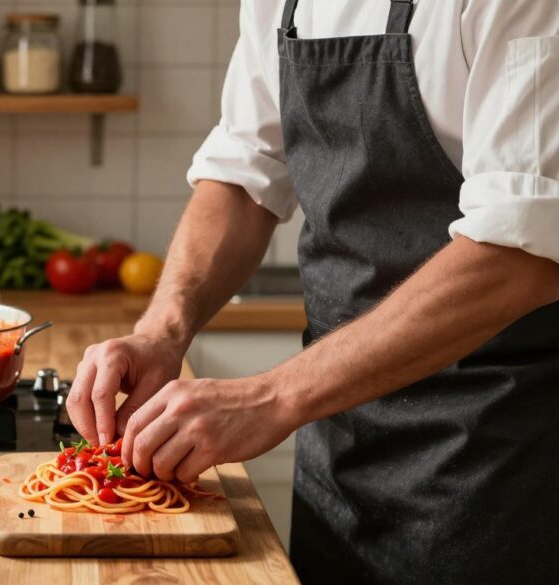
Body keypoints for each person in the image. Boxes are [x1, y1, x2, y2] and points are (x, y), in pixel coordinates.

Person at [66, 1, 559, 583]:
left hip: (490, 447)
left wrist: (272, 398)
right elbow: (246, 170)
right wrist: (162, 330)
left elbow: (521, 252)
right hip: (336, 430)